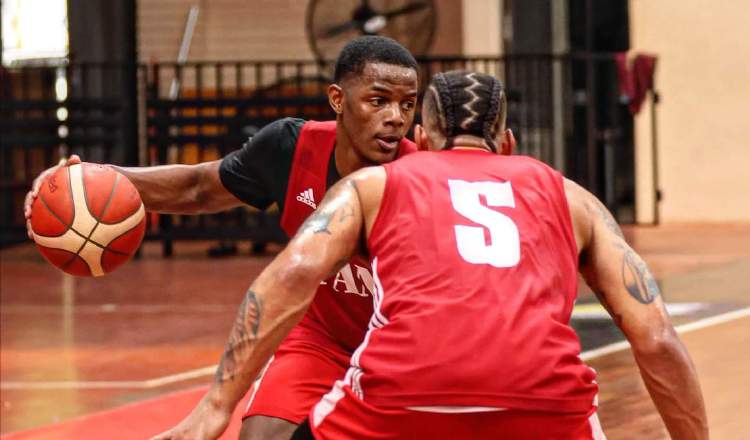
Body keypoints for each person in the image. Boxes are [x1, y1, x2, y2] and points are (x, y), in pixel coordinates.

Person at [154, 70, 708, 439]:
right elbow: (655, 337)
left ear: (425, 134)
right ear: (508, 143)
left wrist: (216, 406)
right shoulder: (569, 196)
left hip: (403, 393)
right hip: (546, 400)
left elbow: (291, 274)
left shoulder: (377, 183)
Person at [24, 36, 420, 440]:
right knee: (261, 436)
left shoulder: (424, 173)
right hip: (323, 340)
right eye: (379, 101)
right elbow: (198, 187)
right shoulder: (290, 147)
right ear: (337, 99)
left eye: (407, 105)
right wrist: (90, 180)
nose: (395, 117)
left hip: (403, 347)